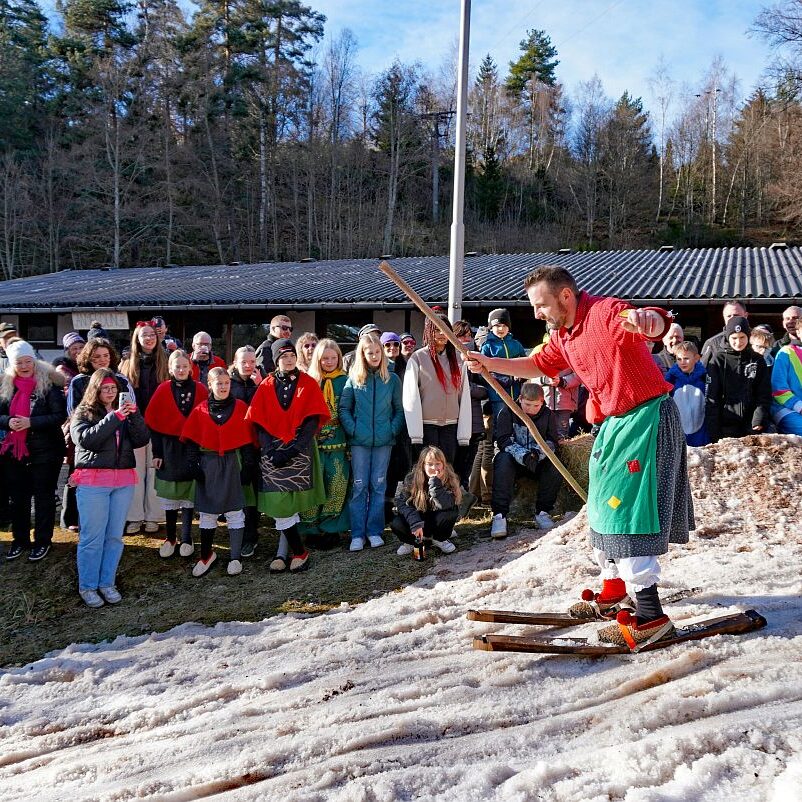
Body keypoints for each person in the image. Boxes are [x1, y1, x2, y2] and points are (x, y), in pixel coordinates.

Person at [467, 265, 694, 649]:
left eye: (541, 305)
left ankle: (650, 616)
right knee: (602, 507)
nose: (537, 313)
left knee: (628, 513)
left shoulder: (606, 313)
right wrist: (490, 364)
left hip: (644, 419)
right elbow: (540, 364)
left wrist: (649, 321)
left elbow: (651, 323)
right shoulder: (563, 335)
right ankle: (614, 587)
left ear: (565, 297)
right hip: (613, 426)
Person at [246, 339, 330, 573]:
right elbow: (258, 422)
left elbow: (313, 419)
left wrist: (294, 449)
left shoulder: (308, 383)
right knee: (279, 504)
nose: (289, 359)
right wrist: (270, 450)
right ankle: (298, 552)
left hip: (299, 451)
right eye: (283, 356)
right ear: (275, 360)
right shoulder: (265, 385)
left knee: (290, 504)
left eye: (292, 354)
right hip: (272, 452)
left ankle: (288, 553)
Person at [70, 369, 150, 607]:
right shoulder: (82, 413)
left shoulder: (124, 412)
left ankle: (107, 582)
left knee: (114, 537)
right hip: (94, 482)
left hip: (123, 481)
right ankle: (88, 586)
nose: (110, 392)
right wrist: (114, 417)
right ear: (95, 389)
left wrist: (134, 417)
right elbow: (87, 439)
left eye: (113, 388)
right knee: (92, 537)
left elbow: (142, 439)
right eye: (105, 388)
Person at [181, 367, 256, 577]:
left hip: (234, 463)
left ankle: (235, 557)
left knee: (234, 512)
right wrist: (194, 465)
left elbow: (249, 441)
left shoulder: (240, 407)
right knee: (208, 512)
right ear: (210, 385)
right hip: (208, 465)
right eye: (219, 383)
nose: (223, 387)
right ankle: (206, 555)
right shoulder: (201, 410)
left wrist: (249, 466)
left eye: (226, 383)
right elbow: (192, 441)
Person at [0, 340, 67, 562]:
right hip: (14, 451)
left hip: (46, 451)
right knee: (18, 499)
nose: (24, 365)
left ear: (35, 361)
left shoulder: (49, 384)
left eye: (28, 361)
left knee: (43, 498)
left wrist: (31, 422)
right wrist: (8, 421)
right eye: (19, 362)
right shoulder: (5, 385)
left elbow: (60, 416)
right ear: (13, 364)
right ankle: (19, 540)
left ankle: (43, 541)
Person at [339, 334, 404, 551]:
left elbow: (399, 409)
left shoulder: (392, 379)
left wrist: (392, 429)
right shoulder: (354, 379)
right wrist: (354, 429)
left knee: (378, 485)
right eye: (370, 352)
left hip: (384, 441)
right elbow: (344, 408)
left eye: (377, 352)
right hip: (360, 442)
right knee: (359, 486)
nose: (375, 356)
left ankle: (374, 531)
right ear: (363, 354)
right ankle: (357, 534)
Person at [145, 350, 208, 558]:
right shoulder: (163, 390)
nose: (181, 370)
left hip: (192, 449)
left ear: (190, 368)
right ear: (170, 369)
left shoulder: (200, 389)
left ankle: (187, 537)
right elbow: (154, 424)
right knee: (171, 495)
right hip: (169, 449)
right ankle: (171, 537)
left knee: (189, 496)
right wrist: (157, 452)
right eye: (177, 366)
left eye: (184, 366)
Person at [489, 381, 563, 538]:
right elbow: (503, 440)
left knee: (556, 464)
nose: (531, 409)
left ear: (542, 402)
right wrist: (523, 455)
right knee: (502, 461)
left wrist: (537, 453)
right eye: (527, 404)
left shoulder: (548, 414)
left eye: (536, 406)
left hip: (537, 460)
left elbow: (552, 441)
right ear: (520, 399)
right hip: (515, 460)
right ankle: (499, 515)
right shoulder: (507, 412)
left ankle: (543, 512)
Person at [403, 315, 472, 476]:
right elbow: (410, 397)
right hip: (426, 425)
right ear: (428, 332)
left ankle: (447, 501)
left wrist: (464, 434)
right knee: (427, 471)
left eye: (445, 330)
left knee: (447, 469)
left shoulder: (458, 359)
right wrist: (415, 434)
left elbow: (464, 396)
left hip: (451, 425)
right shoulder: (418, 358)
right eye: (437, 330)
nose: (442, 334)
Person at [298, 339, 350, 548]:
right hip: (314, 443)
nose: (329, 362)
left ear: (339, 358)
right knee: (314, 484)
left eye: (333, 357)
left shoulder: (346, 380)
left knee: (337, 483)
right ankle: (310, 528)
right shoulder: (309, 382)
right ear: (317, 359)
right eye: (324, 358)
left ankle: (332, 529)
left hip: (340, 441)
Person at [120, 322, 169, 534]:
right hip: (134, 426)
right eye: (144, 335)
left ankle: (154, 516)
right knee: (135, 472)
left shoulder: (165, 362)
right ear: (137, 340)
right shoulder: (127, 365)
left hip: (159, 425)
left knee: (155, 470)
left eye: (152, 335)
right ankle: (134, 517)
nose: (148, 338)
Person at [705, 316, 771, 442]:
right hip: (725, 425)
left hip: (752, 424)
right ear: (728, 337)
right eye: (734, 338)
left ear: (748, 336)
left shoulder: (757, 360)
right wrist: (713, 428)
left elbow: (763, 394)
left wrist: (759, 419)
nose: (738, 342)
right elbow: (712, 397)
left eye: (742, 337)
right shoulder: (718, 360)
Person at [390, 446, 460, 557]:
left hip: (436, 519)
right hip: (417, 519)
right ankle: (410, 542)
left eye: (438, 463)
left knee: (451, 512)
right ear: (423, 465)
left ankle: (439, 539)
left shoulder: (449, 478)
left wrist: (435, 483)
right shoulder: (411, 479)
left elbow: (445, 505)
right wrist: (415, 523)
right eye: (430, 464)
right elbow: (403, 504)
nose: (434, 467)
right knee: (396, 521)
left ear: (443, 464)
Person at [228, 345, 262, 556]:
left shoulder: (262, 381)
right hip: (235, 446)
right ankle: (236, 533)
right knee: (237, 491)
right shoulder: (228, 384)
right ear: (235, 362)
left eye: (252, 362)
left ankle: (251, 536)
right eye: (244, 362)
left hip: (257, 445)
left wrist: (260, 386)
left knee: (253, 495)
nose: (248, 366)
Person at [480, 308, 527, 420]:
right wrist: (503, 379)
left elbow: (525, 362)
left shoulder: (516, 344)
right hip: (497, 394)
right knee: (500, 419)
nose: (501, 328)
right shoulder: (487, 346)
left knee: (516, 420)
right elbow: (483, 370)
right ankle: (499, 438)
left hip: (517, 393)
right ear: (491, 328)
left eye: (504, 325)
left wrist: (522, 375)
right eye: (497, 325)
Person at [665, 342, 710, 446]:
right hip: (678, 432)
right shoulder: (671, 379)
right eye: (679, 359)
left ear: (696, 358)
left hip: (701, 430)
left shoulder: (704, 377)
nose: (682, 362)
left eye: (686, 358)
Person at [701, 300, 748, 366]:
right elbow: (702, 370)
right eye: (729, 316)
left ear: (746, 315)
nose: (732, 319)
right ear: (723, 317)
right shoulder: (713, 343)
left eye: (736, 315)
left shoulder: (755, 341)